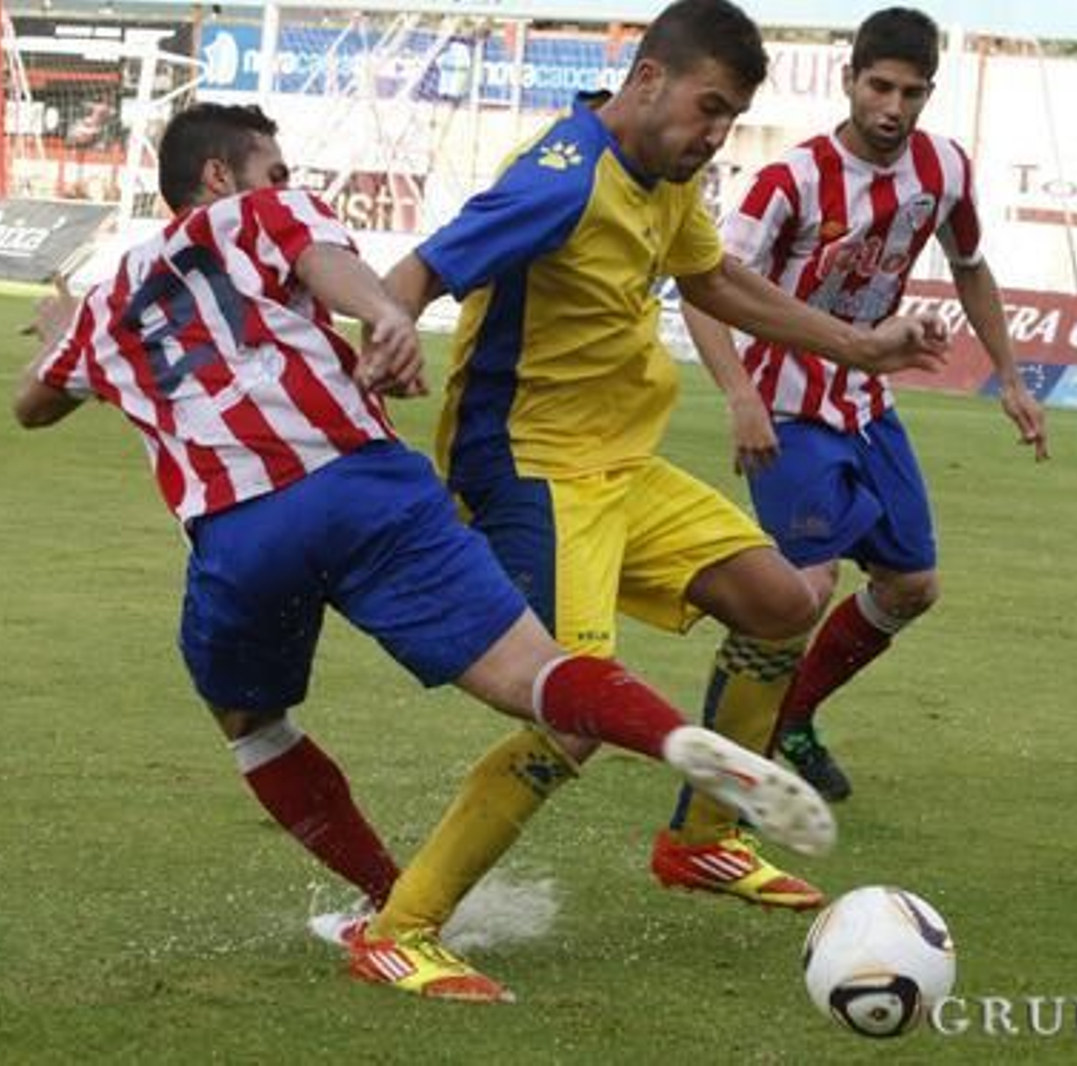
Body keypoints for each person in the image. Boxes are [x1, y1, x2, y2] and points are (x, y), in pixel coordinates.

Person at [12, 101, 836, 1004]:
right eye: (273, 168)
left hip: (239, 534)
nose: (284, 185)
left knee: (254, 728)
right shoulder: (257, 214)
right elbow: (331, 266)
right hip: (365, 489)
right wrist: (383, 317)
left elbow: (34, 406)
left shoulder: (109, 305)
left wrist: (62, 342)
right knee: (538, 672)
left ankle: (382, 906)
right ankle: (672, 737)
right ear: (218, 176)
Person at [332, 0, 952, 986]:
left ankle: (700, 839)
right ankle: (399, 929)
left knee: (786, 598)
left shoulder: (665, 177)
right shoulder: (563, 178)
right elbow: (418, 269)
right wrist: (388, 326)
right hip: (533, 471)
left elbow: (716, 281)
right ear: (648, 78)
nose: (714, 136)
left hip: (622, 466)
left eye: (730, 119)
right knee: (571, 713)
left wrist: (858, 344)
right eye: (708, 109)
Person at [680, 7, 1048, 802]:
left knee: (912, 587)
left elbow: (972, 265)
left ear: (928, 94)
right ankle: (724, 768)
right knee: (800, 594)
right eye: (879, 86)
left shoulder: (945, 169)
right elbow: (703, 289)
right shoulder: (791, 179)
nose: (893, 107)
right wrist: (740, 396)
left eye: (911, 92)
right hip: (784, 404)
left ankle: (790, 719)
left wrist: (1013, 379)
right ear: (849, 80)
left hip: (866, 400)